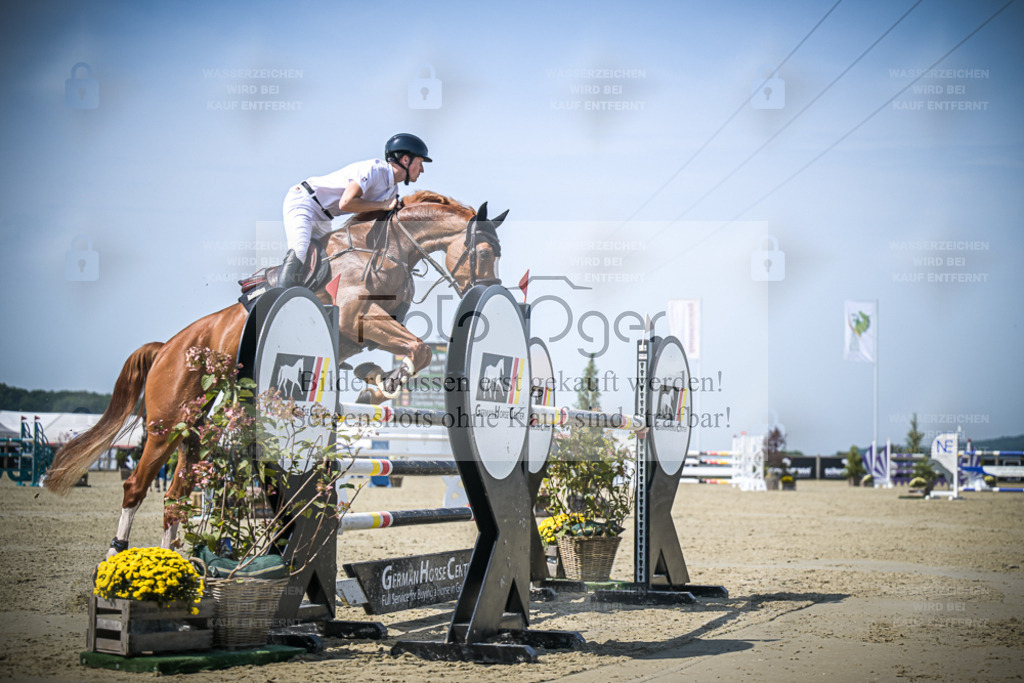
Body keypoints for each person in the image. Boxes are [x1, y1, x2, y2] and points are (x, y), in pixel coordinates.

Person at [278, 133, 432, 286]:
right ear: (405, 160)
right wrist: (383, 205)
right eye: (420, 163)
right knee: (300, 250)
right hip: (304, 202)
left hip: (324, 218)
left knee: (326, 263)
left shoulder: (392, 191)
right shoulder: (374, 170)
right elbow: (345, 203)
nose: (422, 170)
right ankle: (280, 296)